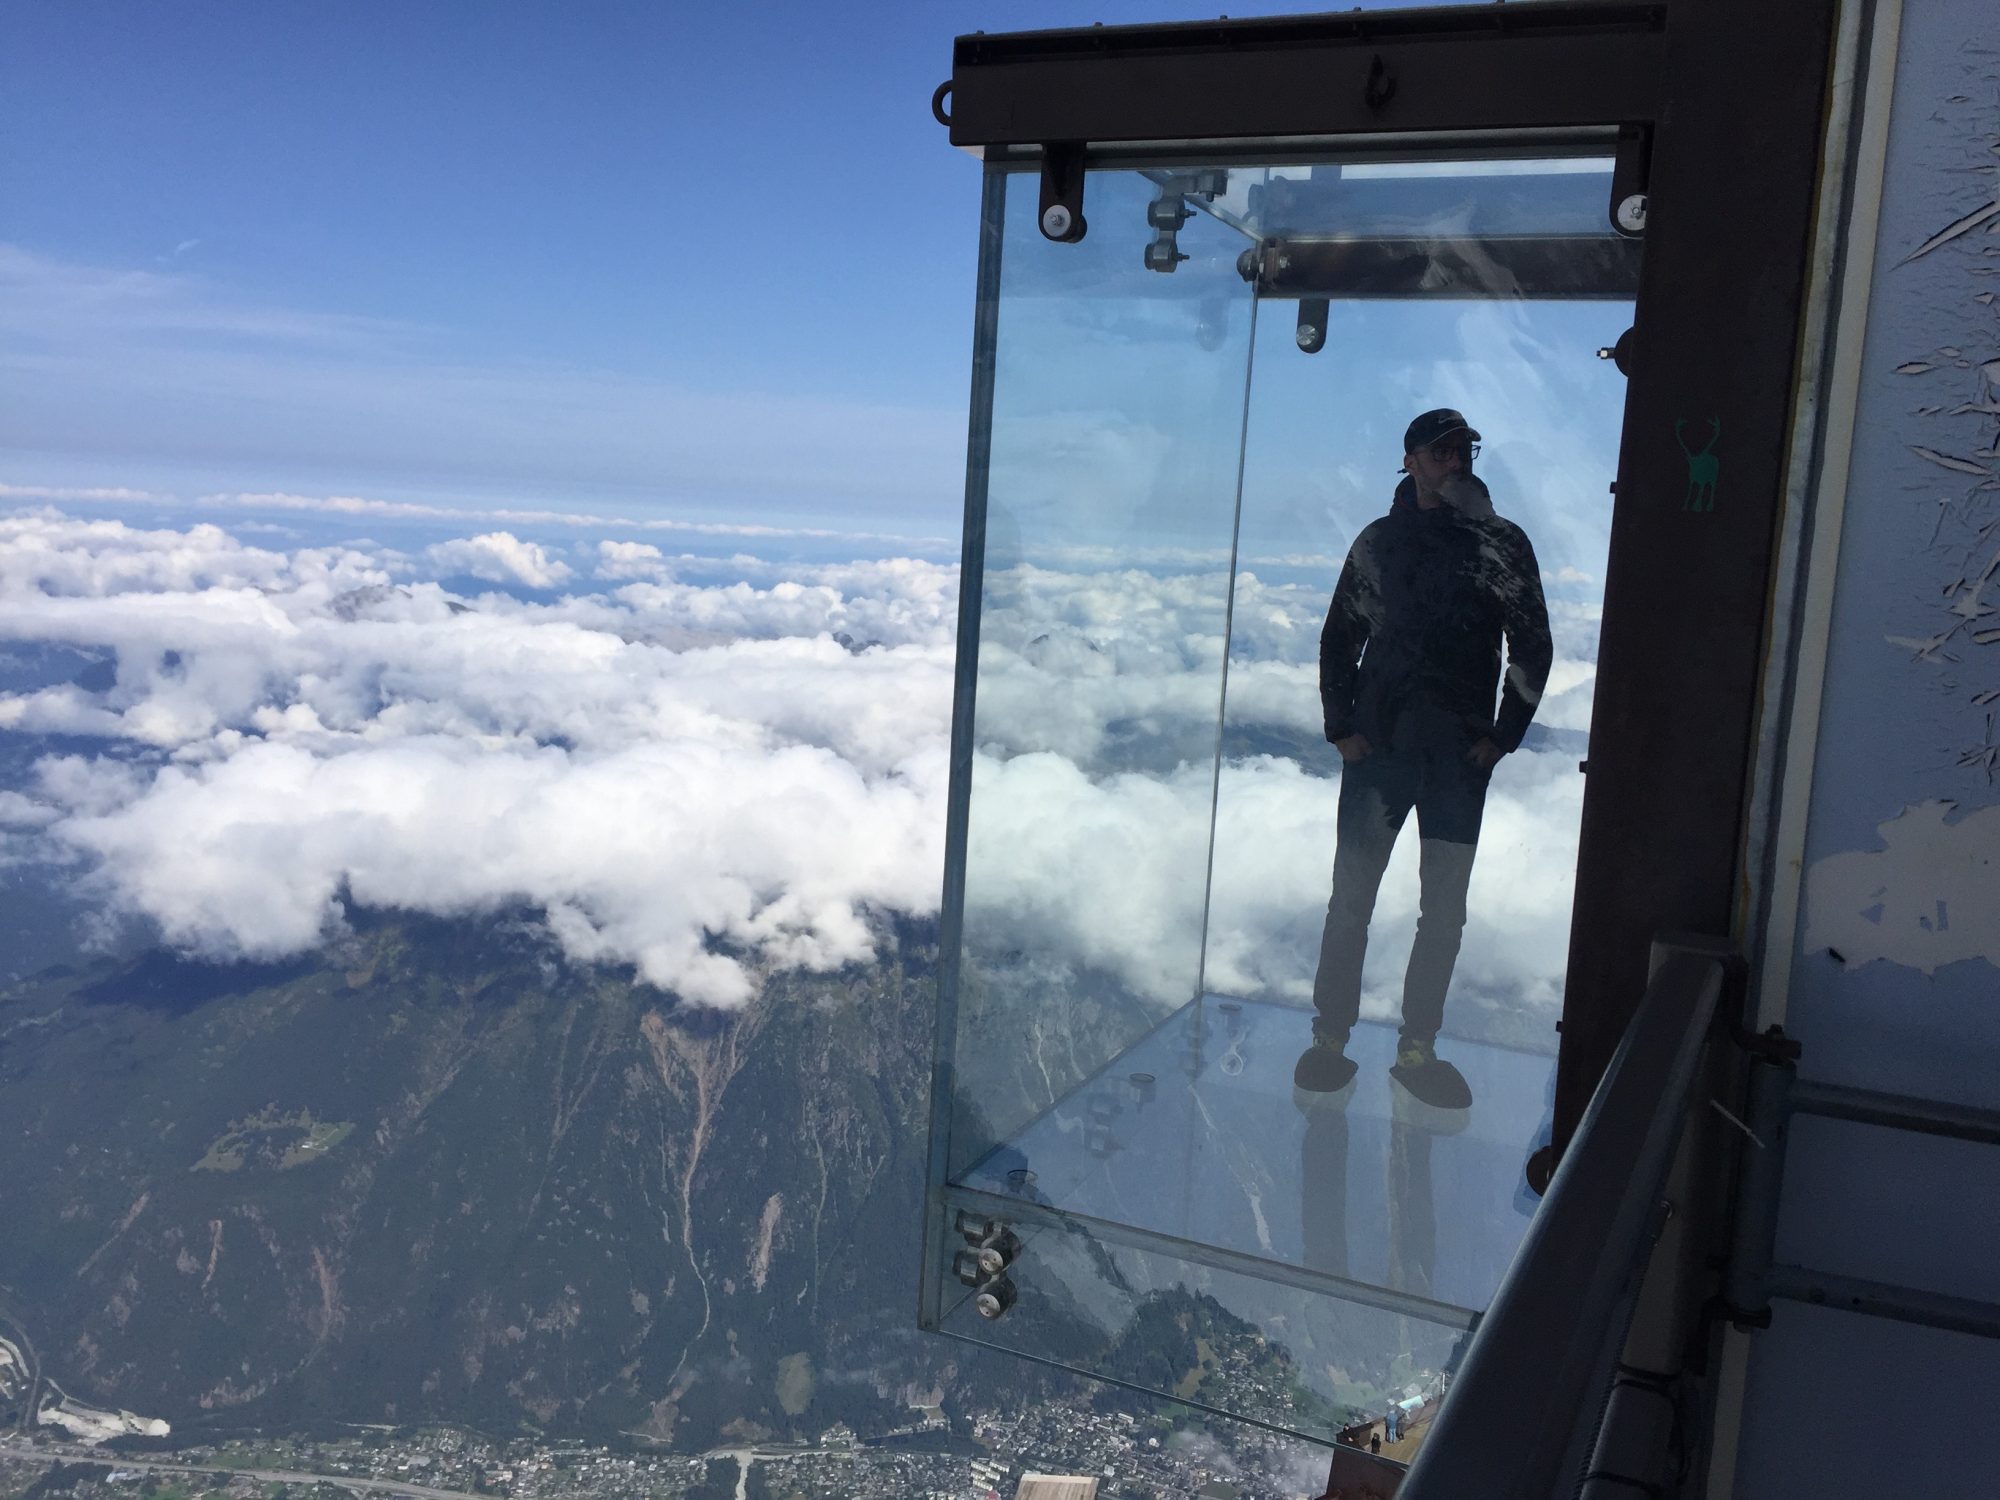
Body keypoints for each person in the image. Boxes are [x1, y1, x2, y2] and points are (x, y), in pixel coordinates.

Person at [1294, 409, 1552, 1108]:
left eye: (1463, 450)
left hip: (1456, 762)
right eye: (1441, 452)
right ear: (1409, 461)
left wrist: (1503, 736)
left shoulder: (1500, 543)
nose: (1455, 462)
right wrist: (1341, 727)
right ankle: (1330, 1040)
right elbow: (1338, 638)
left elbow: (1532, 644)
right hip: (1380, 751)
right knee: (1352, 900)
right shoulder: (1380, 543)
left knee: (1443, 913)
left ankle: (1417, 1048)